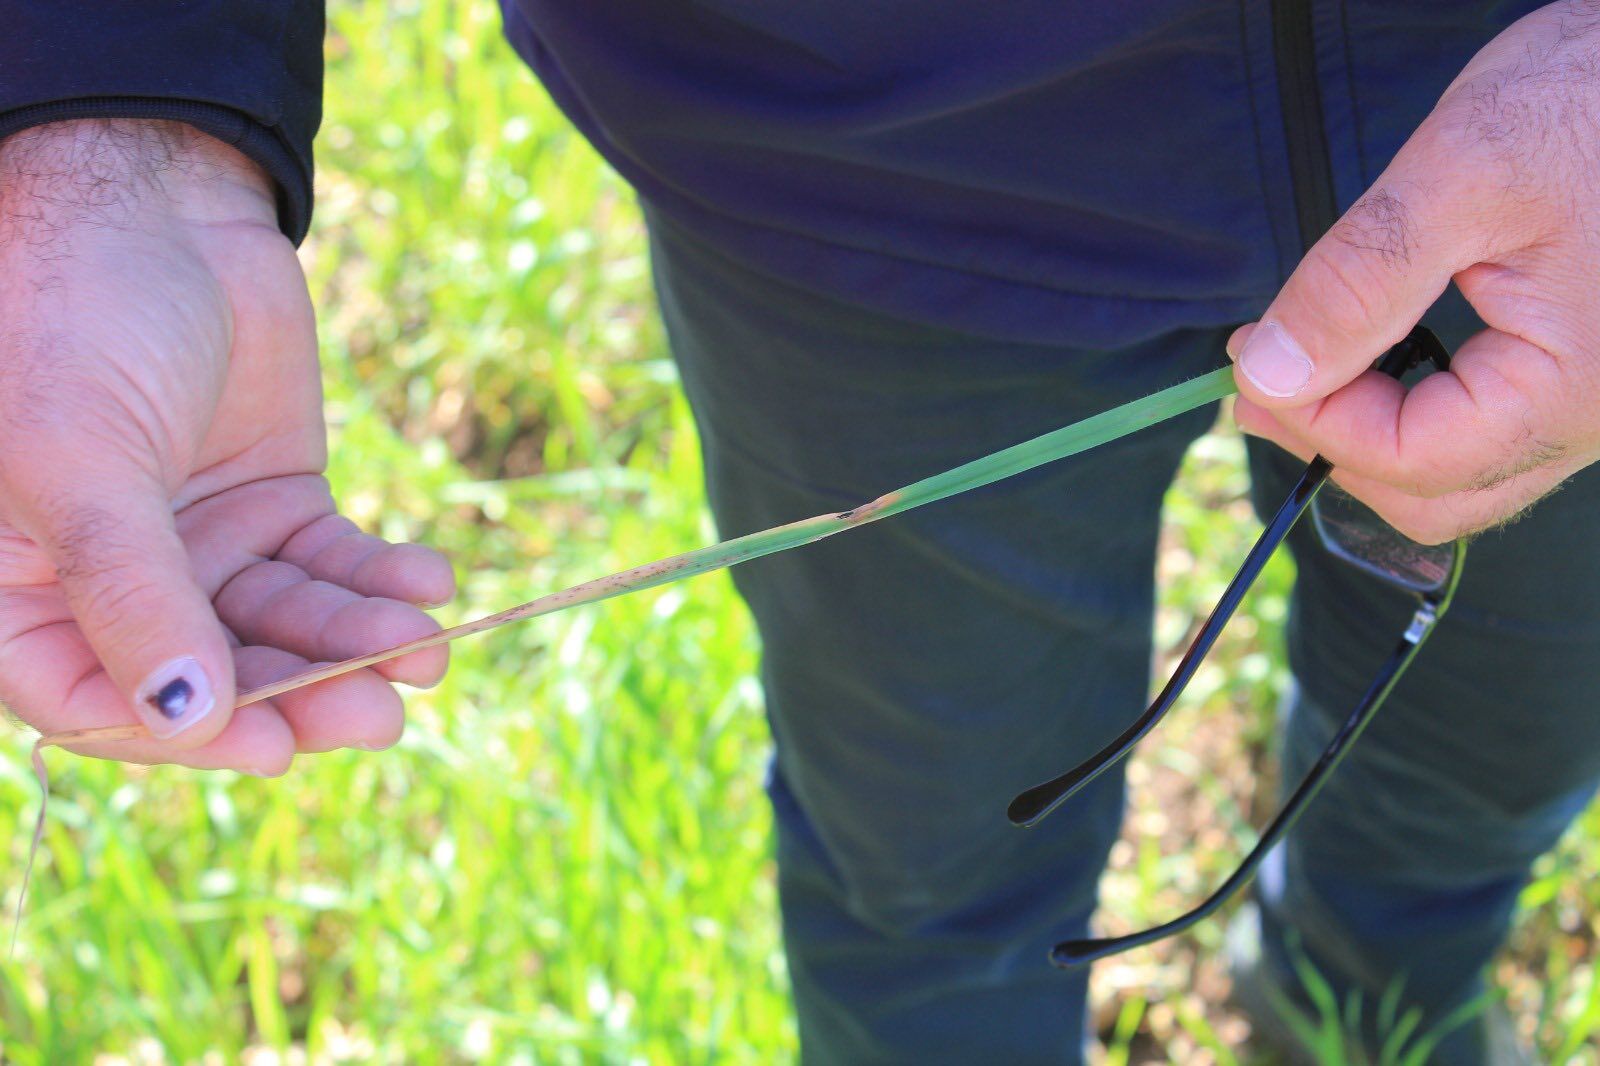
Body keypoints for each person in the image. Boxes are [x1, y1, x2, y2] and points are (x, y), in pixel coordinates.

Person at [4, 2, 1598, 1062]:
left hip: (1554, 176)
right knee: (931, 854)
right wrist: (110, 117)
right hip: (851, 177)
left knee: (1498, 738)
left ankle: (1370, 996)